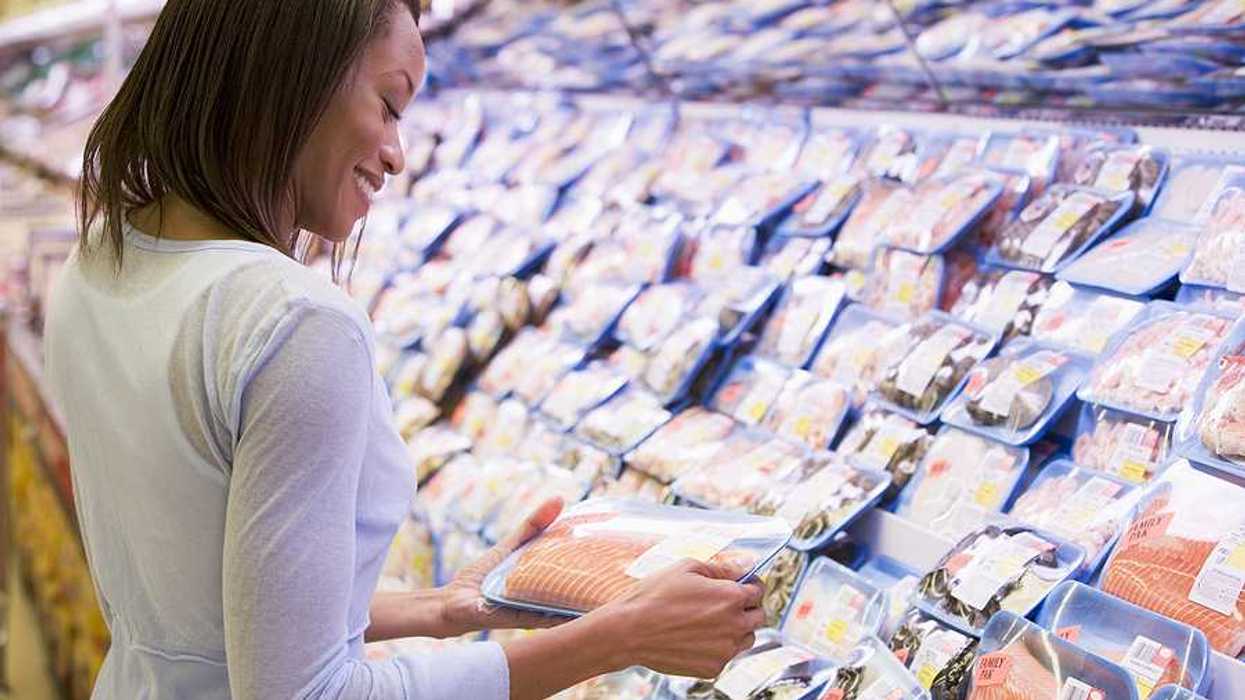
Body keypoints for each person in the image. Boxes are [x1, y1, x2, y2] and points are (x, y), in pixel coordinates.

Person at [43, 1, 767, 698]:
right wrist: (614, 638)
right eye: (389, 105)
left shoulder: (100, 259)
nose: (394, 155)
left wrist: (440, 608)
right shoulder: (292, 321)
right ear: (290, 73)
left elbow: (213, 609)